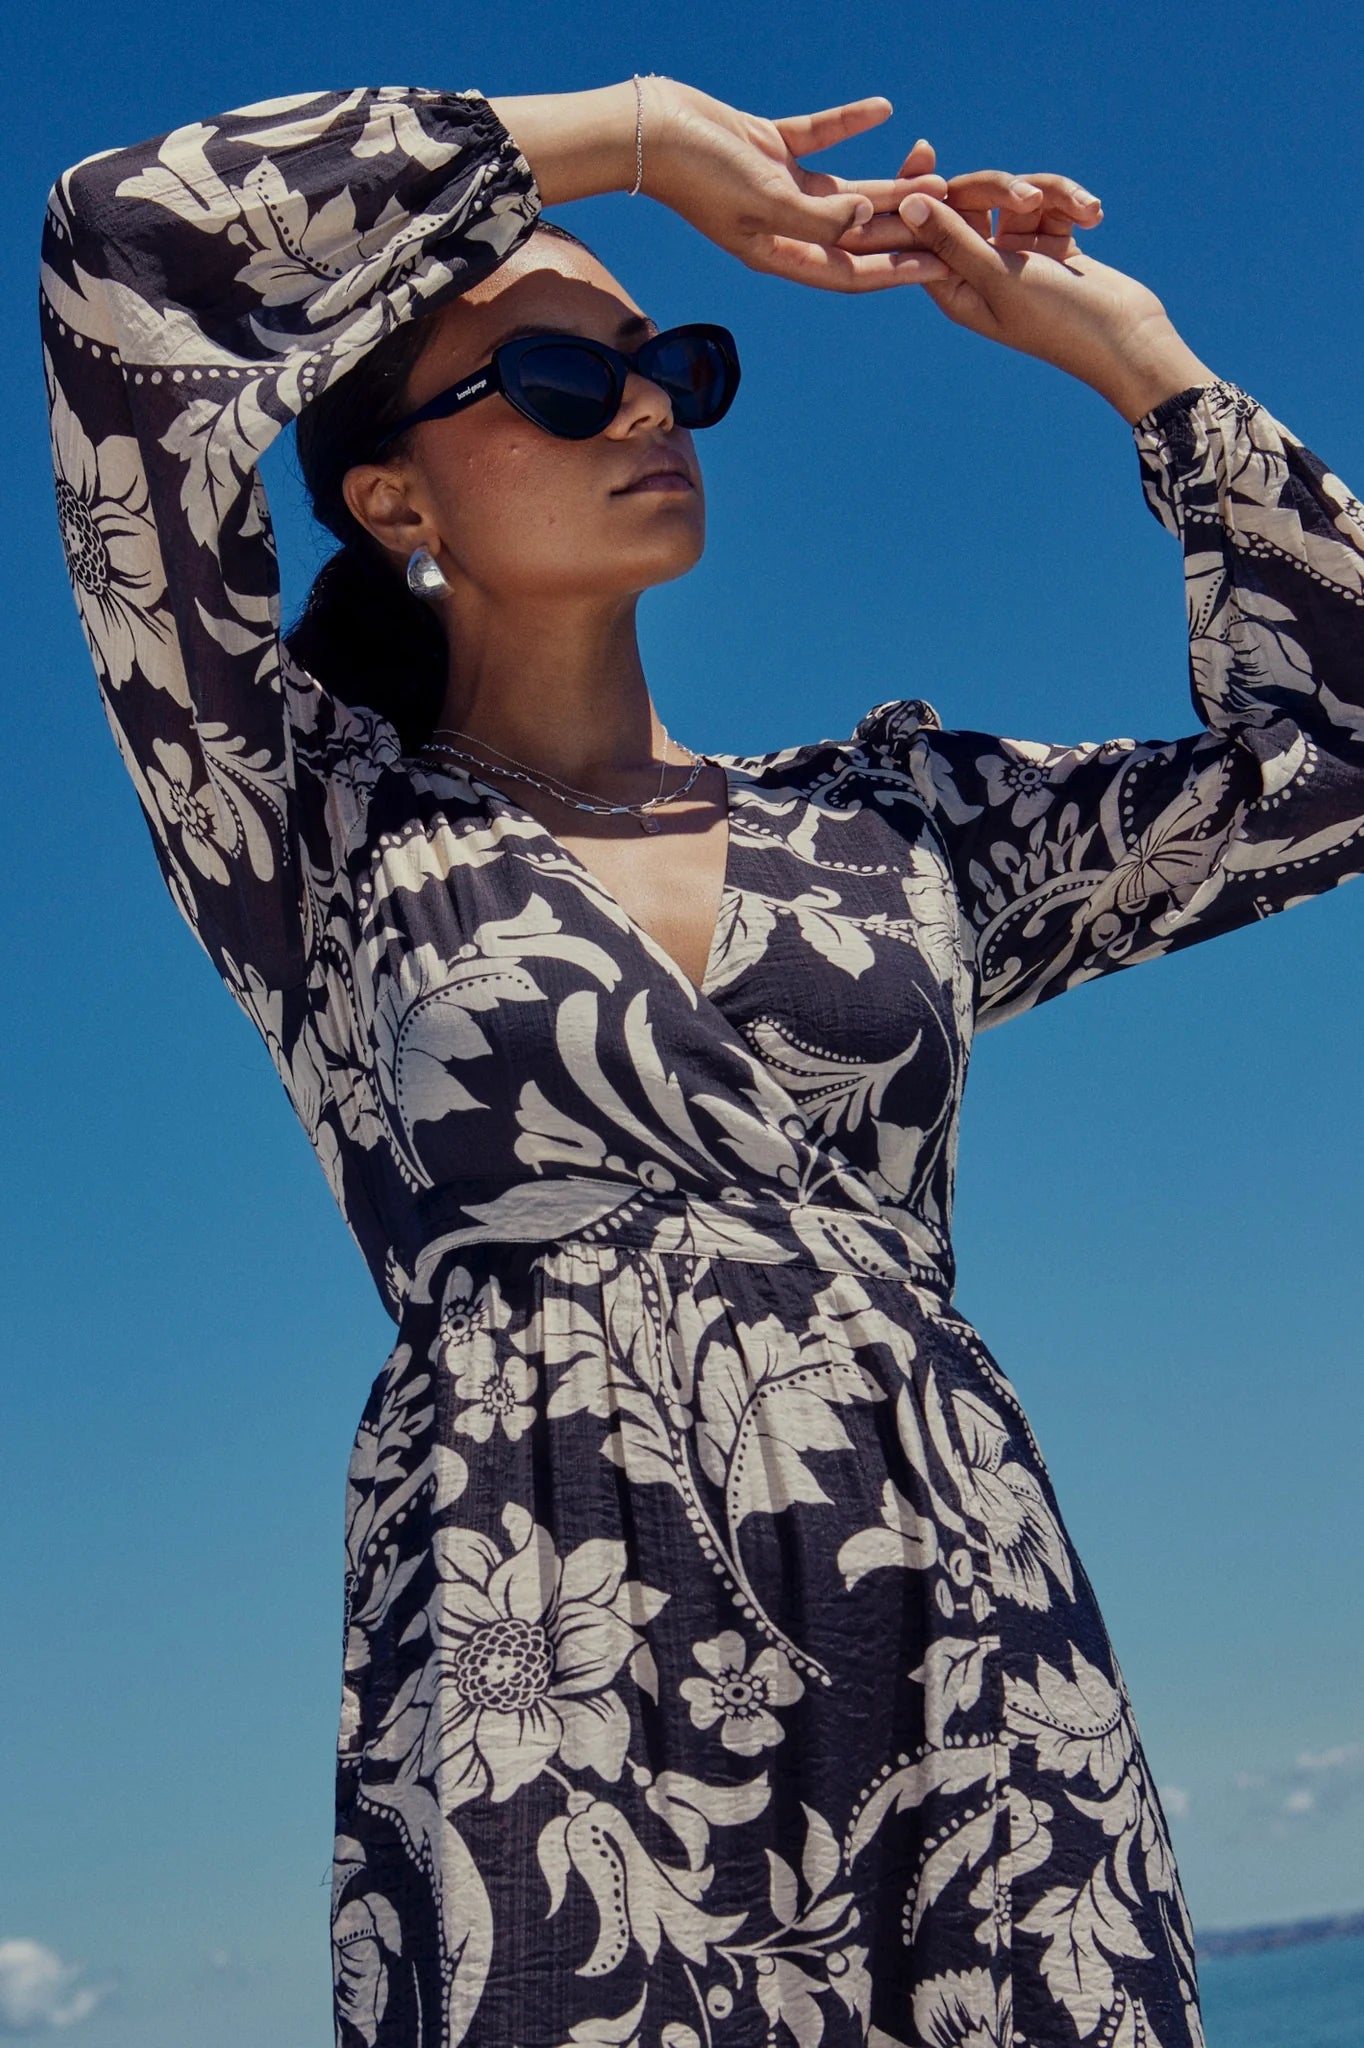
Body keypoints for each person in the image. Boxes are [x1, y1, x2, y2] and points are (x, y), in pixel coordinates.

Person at [40, 72, 1364, 2048]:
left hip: (962, 1649)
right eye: (564, 382)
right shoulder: (305, 827)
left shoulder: (896, 826)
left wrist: (1132, 362)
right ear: (395, 497)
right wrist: (642, 137)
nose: (646, 407)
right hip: (542, 1666)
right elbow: (123, 248)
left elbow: (1335, 758)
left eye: (674, 368)